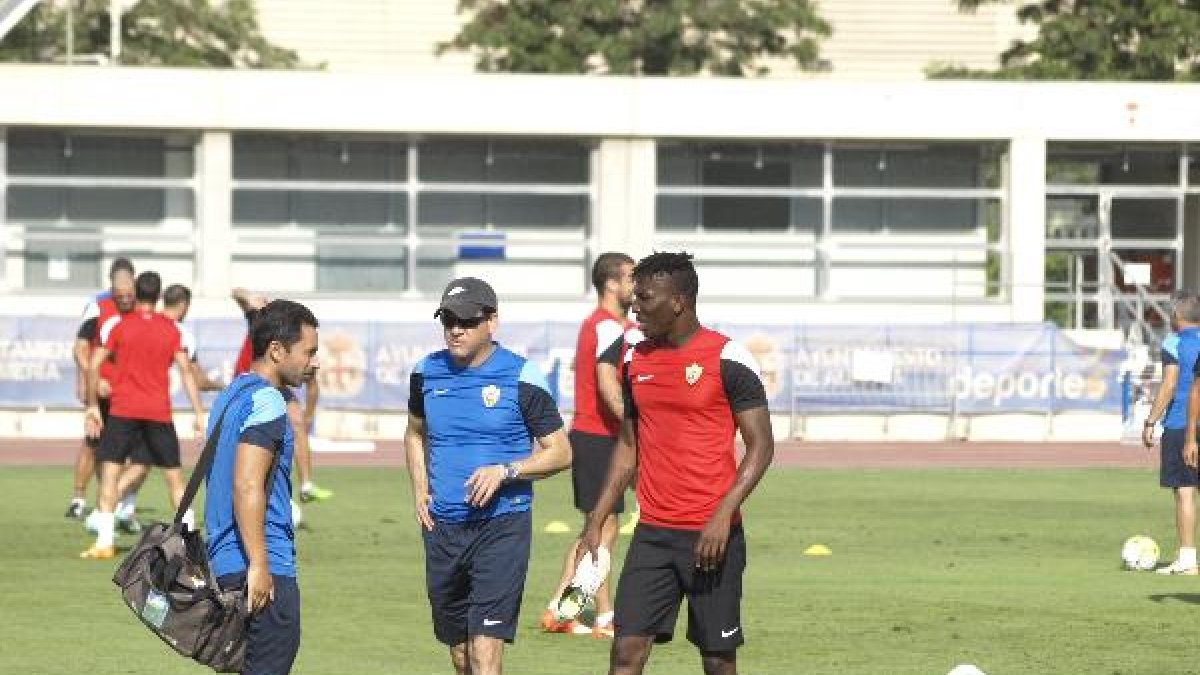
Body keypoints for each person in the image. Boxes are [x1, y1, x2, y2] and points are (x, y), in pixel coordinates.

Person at [579, 251, 775, 675]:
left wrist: (723, 515)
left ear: (679, 301)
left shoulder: (729, 358)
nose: (636, 308)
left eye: (645, 299)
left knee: (717, 659)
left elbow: (761, 447)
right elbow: (628, 447)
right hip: (652, 534)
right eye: (633, 298)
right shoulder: (634, 359)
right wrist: (596, 516)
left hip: (713, 536)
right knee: (626, 651)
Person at [405, 277, 572, 675]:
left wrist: (507, 470)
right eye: (447, 320)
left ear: (491, 321)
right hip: (443, 528)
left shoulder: (522, 376)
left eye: (465, 320)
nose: (455, 329)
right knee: (460, 652)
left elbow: (561, 452)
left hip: (502, 525)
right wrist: (420, 491)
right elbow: (414, 433)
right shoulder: (425, 373)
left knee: (484, 650)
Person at [204, 299, 319, 675]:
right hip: (261, 566)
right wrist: (260, 563)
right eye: (308, 352)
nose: (314, 363)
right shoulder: (268, 401)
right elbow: (247, 483)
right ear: (276, 350)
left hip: (222, 563)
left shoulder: (230, 395)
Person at [541, 252, 638, 639]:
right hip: (598, 437)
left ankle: (561, 609)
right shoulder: (606, 328)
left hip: (606, 438)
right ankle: (600, 616)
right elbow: (607, 387)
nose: (637, 284)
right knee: (602, 527)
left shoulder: (615, 326)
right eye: (632, 277)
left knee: (600, 528)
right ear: (611, 284)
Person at [81, 271, 205, 559]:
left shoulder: (119, 325)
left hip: (123, 411)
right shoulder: (173, 329)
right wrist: (198, 411)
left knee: (111, 476)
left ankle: (105, 542)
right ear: (159, 296)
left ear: (136, 294)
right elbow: (186, 372)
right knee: (175, 481)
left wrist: (92, 406)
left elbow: (93, 364)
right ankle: (188, 544)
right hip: (158, 413)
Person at [233, 288, 333, 509]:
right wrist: (249, 298)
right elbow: (235, 293)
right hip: (251, 383)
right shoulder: (258, 318)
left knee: (295, 420)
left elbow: (313, 385)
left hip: (269, 382)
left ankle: (305, 484)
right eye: (310, 353)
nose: (315, 361)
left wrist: (308, 416)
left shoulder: (297, 350)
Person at [66, 257, 135, 519]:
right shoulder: (97, 307)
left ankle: (118, 503)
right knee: (92, 442)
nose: (125, 295)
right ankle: (78, 499)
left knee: (126, 448)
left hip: (127, 390)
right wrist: (89, 381)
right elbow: (80, 348)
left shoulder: (139, 308)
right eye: (119, 289)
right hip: (102, 388)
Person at [1157, 292, 1200, 574]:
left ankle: (1186, 559)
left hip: (1181, 423)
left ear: (1175, 316)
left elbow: (1170, 385)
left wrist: (1151, 421)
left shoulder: (1173, 342)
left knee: (1185, 491)